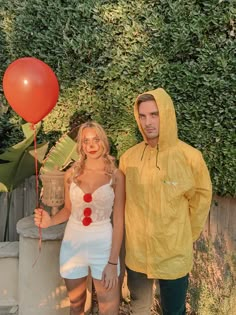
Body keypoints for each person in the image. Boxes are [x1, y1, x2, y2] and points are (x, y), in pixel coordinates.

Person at [119, 88, 212, 315]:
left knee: (174, 311)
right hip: (138, 254)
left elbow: (201, 199)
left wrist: (184, 236)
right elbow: (122, 203)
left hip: (173, 254)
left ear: (167, 115)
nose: (147, 122)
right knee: (139, 308)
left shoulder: (190, 157)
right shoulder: (128, 159)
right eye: (142, 116)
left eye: (154, 114)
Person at [34, 121, 125, 315]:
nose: (91, 145)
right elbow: (68, 210)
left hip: (103, 246)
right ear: (81, 146)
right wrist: (49, 221)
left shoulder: (116, 176)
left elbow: (118, 223)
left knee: (108, 309)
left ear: (103, 142)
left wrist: (112, 262)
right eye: (86, 141)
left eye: (95, 140)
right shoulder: (71, 175)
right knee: (76, 306)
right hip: (73, 246)